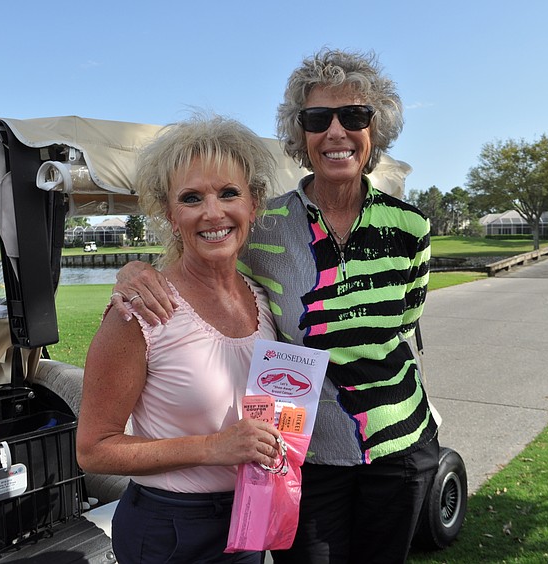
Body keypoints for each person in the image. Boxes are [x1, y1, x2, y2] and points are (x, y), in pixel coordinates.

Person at [112, 48, 439, 563]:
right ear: (300, 133)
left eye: (353, 116)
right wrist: (133, 272)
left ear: (375, 129)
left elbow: (405, 322)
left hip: (401, 444)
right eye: (317, 119)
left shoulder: (411, 227)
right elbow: (202, 246)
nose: (336, 132)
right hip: (303, 453)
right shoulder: (264, 227)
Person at [76, 115, 282, 564]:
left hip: (250, 512)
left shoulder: (264, 299)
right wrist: (213, 448)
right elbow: (93, 450)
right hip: (172, 533)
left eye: (229, 193)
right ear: (170, 214)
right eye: (192, 198)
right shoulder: (140, 312)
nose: (213, 212)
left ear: (254, 203)